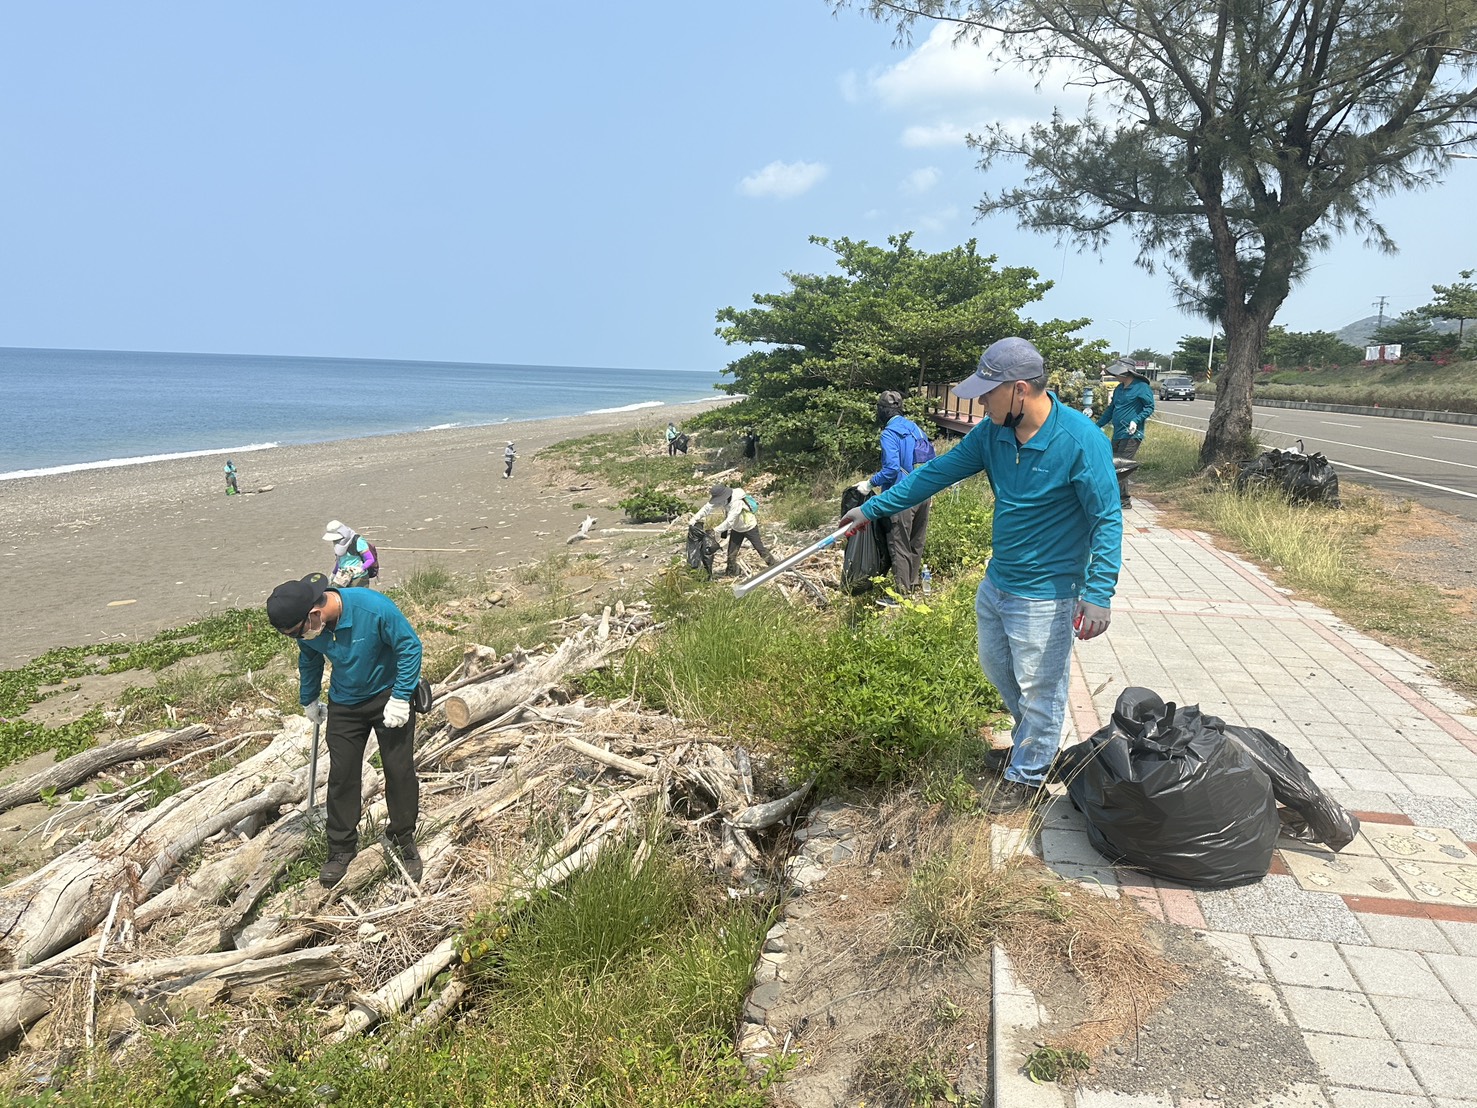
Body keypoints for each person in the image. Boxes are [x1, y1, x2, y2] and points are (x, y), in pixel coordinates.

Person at [838, 337, 1122, 814]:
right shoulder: (993, 434)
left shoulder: (1079, 440)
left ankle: (1029, 776)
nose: (980, 403)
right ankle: (1031, 744)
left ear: (1019, 390)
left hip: (1047, 593)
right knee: (1000, 671)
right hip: (998, 583)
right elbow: (934, 474)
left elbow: (1107, 518)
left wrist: (1099, 592)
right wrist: (871, 509)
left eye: (987, 393)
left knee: (1041, 687)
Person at [266, 571, 424, 886]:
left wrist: (401, 697)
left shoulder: (373, 608)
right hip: (345, 703)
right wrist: (309, 699)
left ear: (314, 613)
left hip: (388, 695)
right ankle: (340, 848)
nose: (299, 639)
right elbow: (310, 660)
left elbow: (410, 647)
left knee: (399, 770)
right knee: (342, 774)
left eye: (297, 632)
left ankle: (403, 838)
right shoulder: (309, 631)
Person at [855, 389, 933, 595]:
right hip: (923, 494)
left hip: (901, 497)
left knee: (900, 546)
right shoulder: (915, 428)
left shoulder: (889, 434)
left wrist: (869, 483)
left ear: (882, 410)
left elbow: (891, 469)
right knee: (916, 542)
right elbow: (930, 460)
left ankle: (902, 595)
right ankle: (913, 587)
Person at [1095, 358, 1156, 508]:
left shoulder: (1141, 387)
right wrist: (1096, 426)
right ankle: (1115, 497)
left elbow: (1149, 407)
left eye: (1118, 373)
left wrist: (1136, 420)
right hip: (1118, 433)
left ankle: (1123, 500)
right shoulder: (1119, 388)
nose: (1116, 376)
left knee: (1121, 466)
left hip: (1132, 435)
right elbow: (1111, 409)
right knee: (1111, 463)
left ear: (1127, 373)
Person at [690, 484, 777, 578]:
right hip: (736, 529)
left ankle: (774, 566)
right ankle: (731, 573)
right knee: (731, 553)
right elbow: (707, 508)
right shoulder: (723, 500)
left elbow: (729, 521)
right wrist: (694, 519)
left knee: (760, 548)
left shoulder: (736, 502)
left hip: (749, 527)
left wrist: (715, 530)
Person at [323, 520, 378, 587]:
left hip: (358, 577)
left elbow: (370, 559)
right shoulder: (337, 543)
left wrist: (361, 569)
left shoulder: (357, 540)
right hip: (342, 577)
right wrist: (333, 573)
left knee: (357, 593)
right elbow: (340, 560)